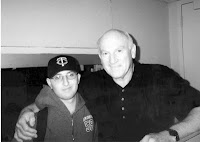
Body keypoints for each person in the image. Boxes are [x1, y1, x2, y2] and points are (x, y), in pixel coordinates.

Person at [14, 29, 200, 142]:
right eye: (105, 53)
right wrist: (26, 112)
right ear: (100, 56)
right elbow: (57, 97)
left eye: (119, 51)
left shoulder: (160, 76)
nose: (112, 60)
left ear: (133, 51)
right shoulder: (91, 83)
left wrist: (170, 135)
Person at [13, 55, 98, 142]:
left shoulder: (92, 110)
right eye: (58, 77)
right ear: (49, 83)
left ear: (78, 78)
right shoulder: (35, 120)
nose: (66, 82)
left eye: (71, 75)